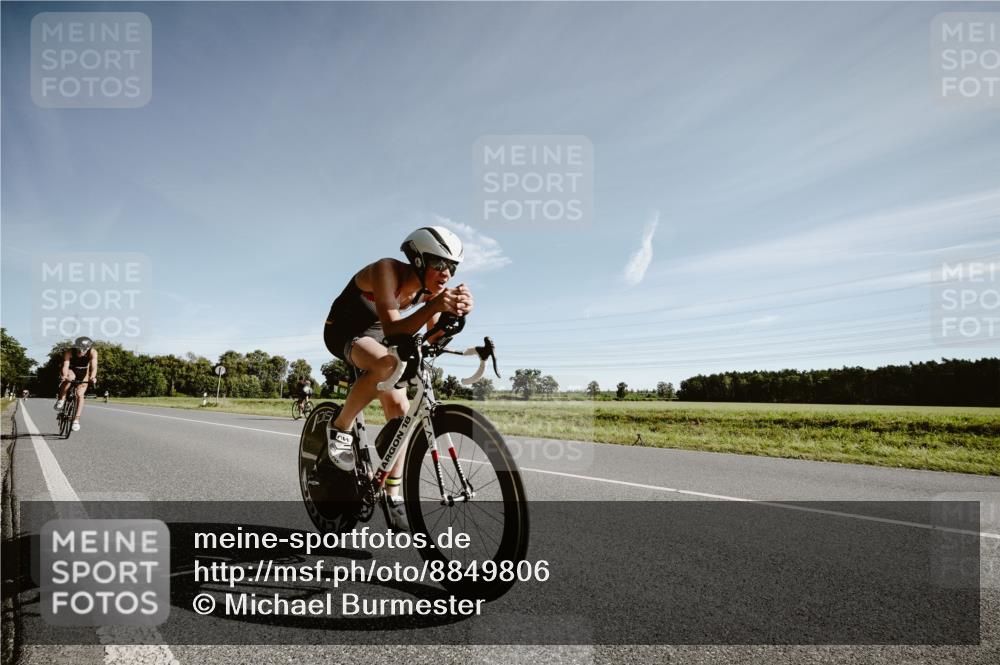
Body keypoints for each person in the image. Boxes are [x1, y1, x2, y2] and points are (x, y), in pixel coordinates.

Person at [321, 226, 472, 530]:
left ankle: (392, 494)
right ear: (418, 260)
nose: (446, 273)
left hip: (382, 340)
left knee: (401, 412)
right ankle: (340, 426)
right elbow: (393, 328)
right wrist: (435, 305)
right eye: (439, 264)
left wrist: (457, 314)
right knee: (388, 365)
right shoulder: (386, 270)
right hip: (345, 330)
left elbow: (433, 336)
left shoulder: (431, 290)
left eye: (452, 267)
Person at [53, 337, 98, 431]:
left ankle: (76, 420)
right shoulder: (70, 351)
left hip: (83, 371)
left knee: (80, 395)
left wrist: (92, 377)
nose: (82, 352)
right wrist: (64, 375)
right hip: (71, 369)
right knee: (69, 378)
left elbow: (94, 367)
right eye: (80, 349)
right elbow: (65, 365)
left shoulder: (93, 352)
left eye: (85, 350)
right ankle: (61, 399)